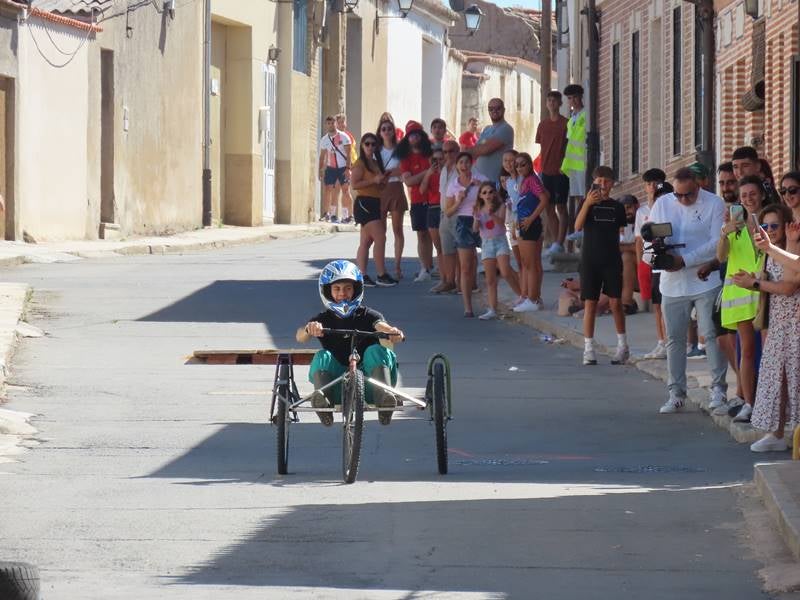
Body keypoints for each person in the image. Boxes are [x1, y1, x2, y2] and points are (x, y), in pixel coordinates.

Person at [649, 167, 728, 414]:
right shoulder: (662, 204)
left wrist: (684, 260)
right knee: (674, 339)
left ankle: (719, 390)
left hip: (705, 279)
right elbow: (648, 241)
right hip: (672, 284)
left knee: (711, 333)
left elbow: (717, 243)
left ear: (698, 186)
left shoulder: (715, 203)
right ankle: (676, 392)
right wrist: (655, 260)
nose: (683, 200)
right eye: (678, 195)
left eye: (689, 195)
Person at [297, 260, 405, 426]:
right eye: (337, 288)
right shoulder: (322, 319)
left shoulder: (367, 314)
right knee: (322, 356)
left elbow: (380, 325)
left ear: (356, 290)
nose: (342, 293)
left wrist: (392, 332)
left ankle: (385, 398)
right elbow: (300, 337)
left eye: (348, 288)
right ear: (327, 291)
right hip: (336, 384)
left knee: (376, 350)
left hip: (370, 382)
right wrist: (309, 329)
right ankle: (322, 400)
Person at [731, 205, 800, 452]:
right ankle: (776, 433)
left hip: (794, 324)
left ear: (786, 225)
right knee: (775, 379)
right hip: (778, 322)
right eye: (765, 226)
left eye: (774, 226)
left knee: (793, 378)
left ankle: (787, 433)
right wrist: (751, 281)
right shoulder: (768, 252)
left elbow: (789, 286)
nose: (770, 230)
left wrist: (756, 283)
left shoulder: (793, 245)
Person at [713, 175, 766, 422]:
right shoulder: (735, 225)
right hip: (741, 294)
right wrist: (724, 234)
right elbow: (721, 258)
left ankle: (768, 402)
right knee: (746, 350)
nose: (748, 199)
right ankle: (748, 402)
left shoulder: (770, 221)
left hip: (765, 291)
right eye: (744, 196)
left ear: (762, 194)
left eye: (752, 194)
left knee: (768, 351)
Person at [574, 166, 629, 365]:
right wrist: (588, 203)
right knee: (590, 303)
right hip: (590, 260)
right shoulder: (585, 203)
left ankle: (622, 345)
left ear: (612, 183)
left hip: (612, 259)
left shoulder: (617, 207)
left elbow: (622, 231)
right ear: (594, 182)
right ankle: (588, 348)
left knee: (615, 302)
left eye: (607, 181)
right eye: (599, 181)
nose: (603, 185)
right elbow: (577, 226)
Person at [350, 132, 397, 288]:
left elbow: (379, 186)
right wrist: (373, 180)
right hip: (364, 202)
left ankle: (361, 275)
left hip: (375, 201)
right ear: (362, 146)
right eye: (367, 144)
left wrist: (383, 180)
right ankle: (381, 274)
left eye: (373, 144)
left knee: (366, 241)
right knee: (380, 237)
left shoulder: (376, 164)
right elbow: (355, 184)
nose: (370, 147)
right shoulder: (360, 164)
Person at [445, 152, 487, 317]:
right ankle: (468, 307)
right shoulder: (453, 185)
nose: (464, 165)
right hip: (463, 223)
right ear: (457, 166)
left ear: (471, 164)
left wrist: (481, 191)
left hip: (482, 221)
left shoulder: (480, 179)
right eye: (461, 162)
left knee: (491, 263)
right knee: (465, 266)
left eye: (467, 162)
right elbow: (448, 212)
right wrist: (458, 202)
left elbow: (494, 198)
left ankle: (491, 304)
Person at [472, 182, 522, 320]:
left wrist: (491, 214)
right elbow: (475, 229)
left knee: (505, 271)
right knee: (490, 279)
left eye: (490, 192)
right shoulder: (478, 209)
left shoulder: (501, 206)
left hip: (500, 241)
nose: (488, 195)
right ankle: (492, 309)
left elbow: (501, 224)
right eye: (484, 193)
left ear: (494, 193)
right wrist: (476, 217)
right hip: (487, 244)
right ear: (480, 196)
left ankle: (521, 296)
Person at [635, 170, 669, 359]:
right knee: (656, 303)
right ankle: (660, 341)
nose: (652, 187)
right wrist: (642, 261)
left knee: (667, 303)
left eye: (656, 183)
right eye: (649, 184)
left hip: (666, 261)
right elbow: (639, 239)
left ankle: (671, 341)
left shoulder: (669, 207)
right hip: (650, 260)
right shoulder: (642, 211)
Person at [398, 121, 435, 282]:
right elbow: (409, 182)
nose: (415, 138)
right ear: (408, 138)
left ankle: (433, 266)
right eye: (412, 135)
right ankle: (424, 267)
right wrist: (427, 172)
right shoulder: (406, 158)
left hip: (434, 198)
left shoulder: (431, 153)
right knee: (422, 234)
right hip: (418, 200)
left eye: (417, 134)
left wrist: (419, 176)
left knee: (434, 234)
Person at [512, 152, 549, 312]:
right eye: (517, 165)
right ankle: (533, 297)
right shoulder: (524, 181)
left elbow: (544, 199)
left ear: (530, 165)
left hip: (530, 225)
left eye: (523, 164)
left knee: (531, 264)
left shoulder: (533, 180)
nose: (520, 168)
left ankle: (533, 299)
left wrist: (531, 219)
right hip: (523, 224)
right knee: (529, 263)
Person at [536, 91, 570, 256]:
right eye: (548, 100)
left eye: (554, 101)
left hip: (561, 170)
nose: (551, 103)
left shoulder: (566, 123)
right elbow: (541, 146)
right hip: (545, 171)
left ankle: (560, 241)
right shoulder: (542, 125)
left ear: (560, 104)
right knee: (548, 207)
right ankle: (557, 243)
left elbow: (570, 147)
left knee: (561, 206)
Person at [377, 116, 408, 281]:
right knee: (380, 232)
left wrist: (388, 173)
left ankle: (397, 265)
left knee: (397, 229)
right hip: (381, 191)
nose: (387, 132)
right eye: (384, 129)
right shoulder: (377, 151)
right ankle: (381, 267)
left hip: (396, 189)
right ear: (380, 132)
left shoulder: (400, 150)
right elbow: (376, 172)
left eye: (389, 128)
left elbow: (403, 170)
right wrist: (391, 172)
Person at [430, 139, 461, 294]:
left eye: (451, 151)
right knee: (446, 250)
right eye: (445, 152)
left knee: (462, 250)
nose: (448, 155)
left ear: (458, 152)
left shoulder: (461, 169)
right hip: (444, 214)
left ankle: (463, 282)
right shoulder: (443, 170)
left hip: (459, 213)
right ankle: (449, 281)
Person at [561, 84, 587, 248]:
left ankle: (582, 226)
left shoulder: (585, 114)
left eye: (576, 97)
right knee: (578, 196)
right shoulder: (572, 118)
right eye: (570, 98)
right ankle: (579, 226)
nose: (573, 101)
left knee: (584, 196)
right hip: (573, 163)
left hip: (583, 161)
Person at [500, 149, 525, 305]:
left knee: (527, 262)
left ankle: (530, 294)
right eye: (506, 161)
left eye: (512, 160)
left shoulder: (523, 179)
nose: (509, 164)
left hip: (523, 221)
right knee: (519, 261)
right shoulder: (506, 182)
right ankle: (523, 293)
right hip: (511, 223)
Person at [469, 98, 514, 184]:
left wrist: (466, 151)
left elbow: (484, 149)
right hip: (478, 181)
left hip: (494, 182)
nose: (494, 111)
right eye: (491, 109)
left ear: (504, 110)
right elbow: (476, 150)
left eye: (498, 108)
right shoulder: (487, 129)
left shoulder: (506, 128)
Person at [318, 115, 352, 223]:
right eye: (328, 123)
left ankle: (346, 216)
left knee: (345, 190)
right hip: (331, 168)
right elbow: (322, 156)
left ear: (335, 124)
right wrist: (321, 169)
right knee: (328, 190)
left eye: (332, 123)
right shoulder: (324, 140)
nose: (330, 125)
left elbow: (349, 153)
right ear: (325, 125)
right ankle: (328, 214)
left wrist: (348, 168)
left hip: (342, 168)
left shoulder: (344, 137)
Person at [420, 146, 444, 280]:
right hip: (432, 209)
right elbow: (422, 190)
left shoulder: (448, 172)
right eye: (435, 159)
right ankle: (442, 273)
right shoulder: (429, 173)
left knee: (447, 245)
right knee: (438, 245)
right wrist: (429, 173)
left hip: (444, 209)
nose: (438, 162)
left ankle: (447, 274)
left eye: (441, 159)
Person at [618, 195, 639, 314]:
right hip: (622, 273)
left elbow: (642, 249)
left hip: (644, 269)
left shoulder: (642, 220)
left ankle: (626, 302)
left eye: (629, 207)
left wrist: (624, 248)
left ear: (637, 206)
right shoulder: (615, 225)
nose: (626, 211)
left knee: (627, 256)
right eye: (623, 208)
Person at [336, 113, 357, 223]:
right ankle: (343, 215)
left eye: (343, 122)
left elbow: (352, 154)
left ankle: (349, 215)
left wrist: (350, 167)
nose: (341, 124)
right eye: (339, 122)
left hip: (345, 168)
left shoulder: (349, 137)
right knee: (337, 190)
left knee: (346, 191)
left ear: (346, 123)